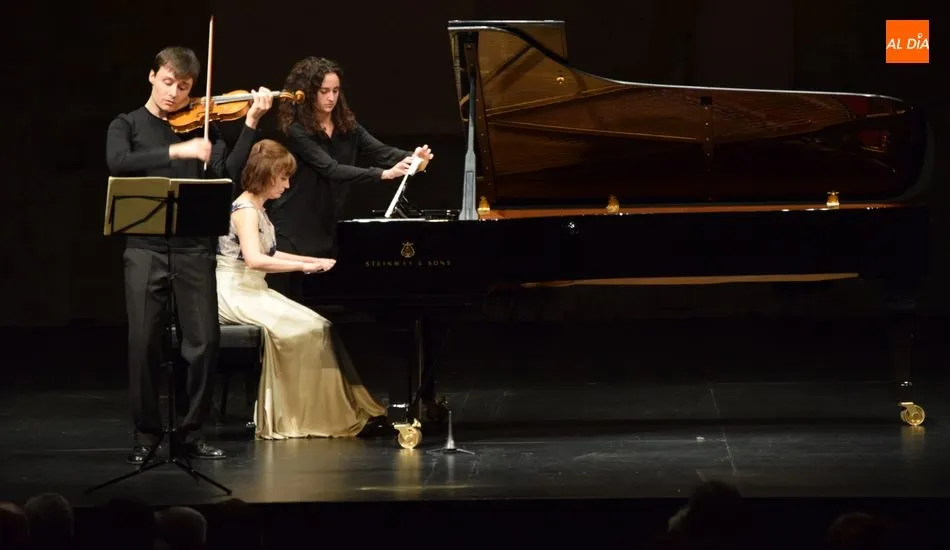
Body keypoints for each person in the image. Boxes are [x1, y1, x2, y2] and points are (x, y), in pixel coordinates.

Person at [106, 46, 274, 464]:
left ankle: (190, 433)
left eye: (183, 87)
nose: (174, 94)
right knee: (143, 342)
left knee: (202, 343)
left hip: (194, 249)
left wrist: (250, 123)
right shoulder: (125, 124)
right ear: (151, 77)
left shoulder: (205, 128)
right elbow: (118, 161)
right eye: (167, 82)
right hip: (145, 249)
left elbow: (229, 176)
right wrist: (176, 152)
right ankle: (146, 434)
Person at [216, 138, 387, 439]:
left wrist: (313, 259)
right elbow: (255, 260)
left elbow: (269, 253)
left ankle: (327, 408)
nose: (286, 184)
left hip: (251, 288)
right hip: (234, 290)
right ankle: (298, 414)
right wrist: (303, 266)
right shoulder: (245, 210)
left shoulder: (259, 209)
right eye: (283, 177)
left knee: (319, 325)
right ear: (267, 175)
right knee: (304, 330)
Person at [265, 56, 434, 301]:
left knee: (321, 302)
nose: (331, 98)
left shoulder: (347, 125)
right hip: (293, 227)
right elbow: (331, 169)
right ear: (309, 92)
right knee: (290, 301)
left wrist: (414, 159)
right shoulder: (296, 129)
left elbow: (381, 151)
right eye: (324, 91)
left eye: (335, 91)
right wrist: (383, 174)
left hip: (327, 225)